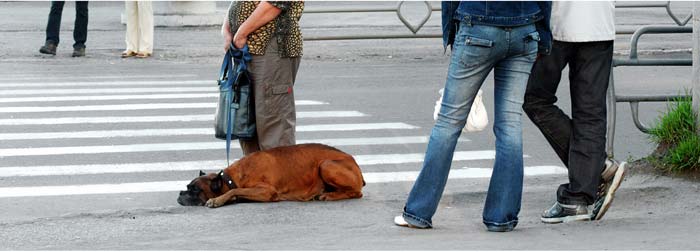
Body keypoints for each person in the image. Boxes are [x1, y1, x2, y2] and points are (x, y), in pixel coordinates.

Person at [394, 1, 552, 232]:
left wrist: (450, 32)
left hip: (478, 26)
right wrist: (544, 37)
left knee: (449, 122)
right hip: (525, 29)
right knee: (510, 125)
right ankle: (502, 217)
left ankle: (419, 212)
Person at [522, 1, 626, 224]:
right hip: (599, 23)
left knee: (534, 98)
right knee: (590, 111)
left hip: (556, 23)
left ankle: (595, 170)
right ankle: (579, 194)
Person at [221, 1, 304, 155]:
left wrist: (240, 33)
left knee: (273, 124)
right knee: (247, 122)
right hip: (246, 48)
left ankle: (278, 176)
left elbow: (275, 3)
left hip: (271, 46)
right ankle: (257, 175)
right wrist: (227, 28)